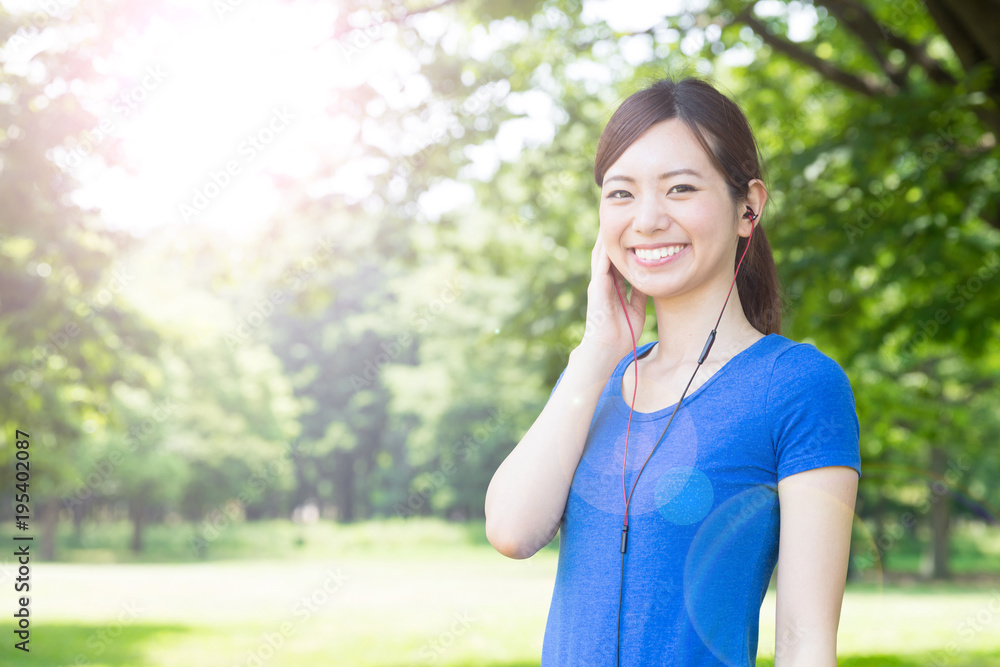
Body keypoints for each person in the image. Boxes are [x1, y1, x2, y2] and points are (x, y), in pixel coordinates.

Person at [484, 76, 861, 666]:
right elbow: (512, 531)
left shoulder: (797, 386)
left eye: (680, 188)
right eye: (621, 193)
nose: (649, 219)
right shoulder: (595, 378)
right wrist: (597, 348)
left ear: (748, 207)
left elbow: (805, 645)